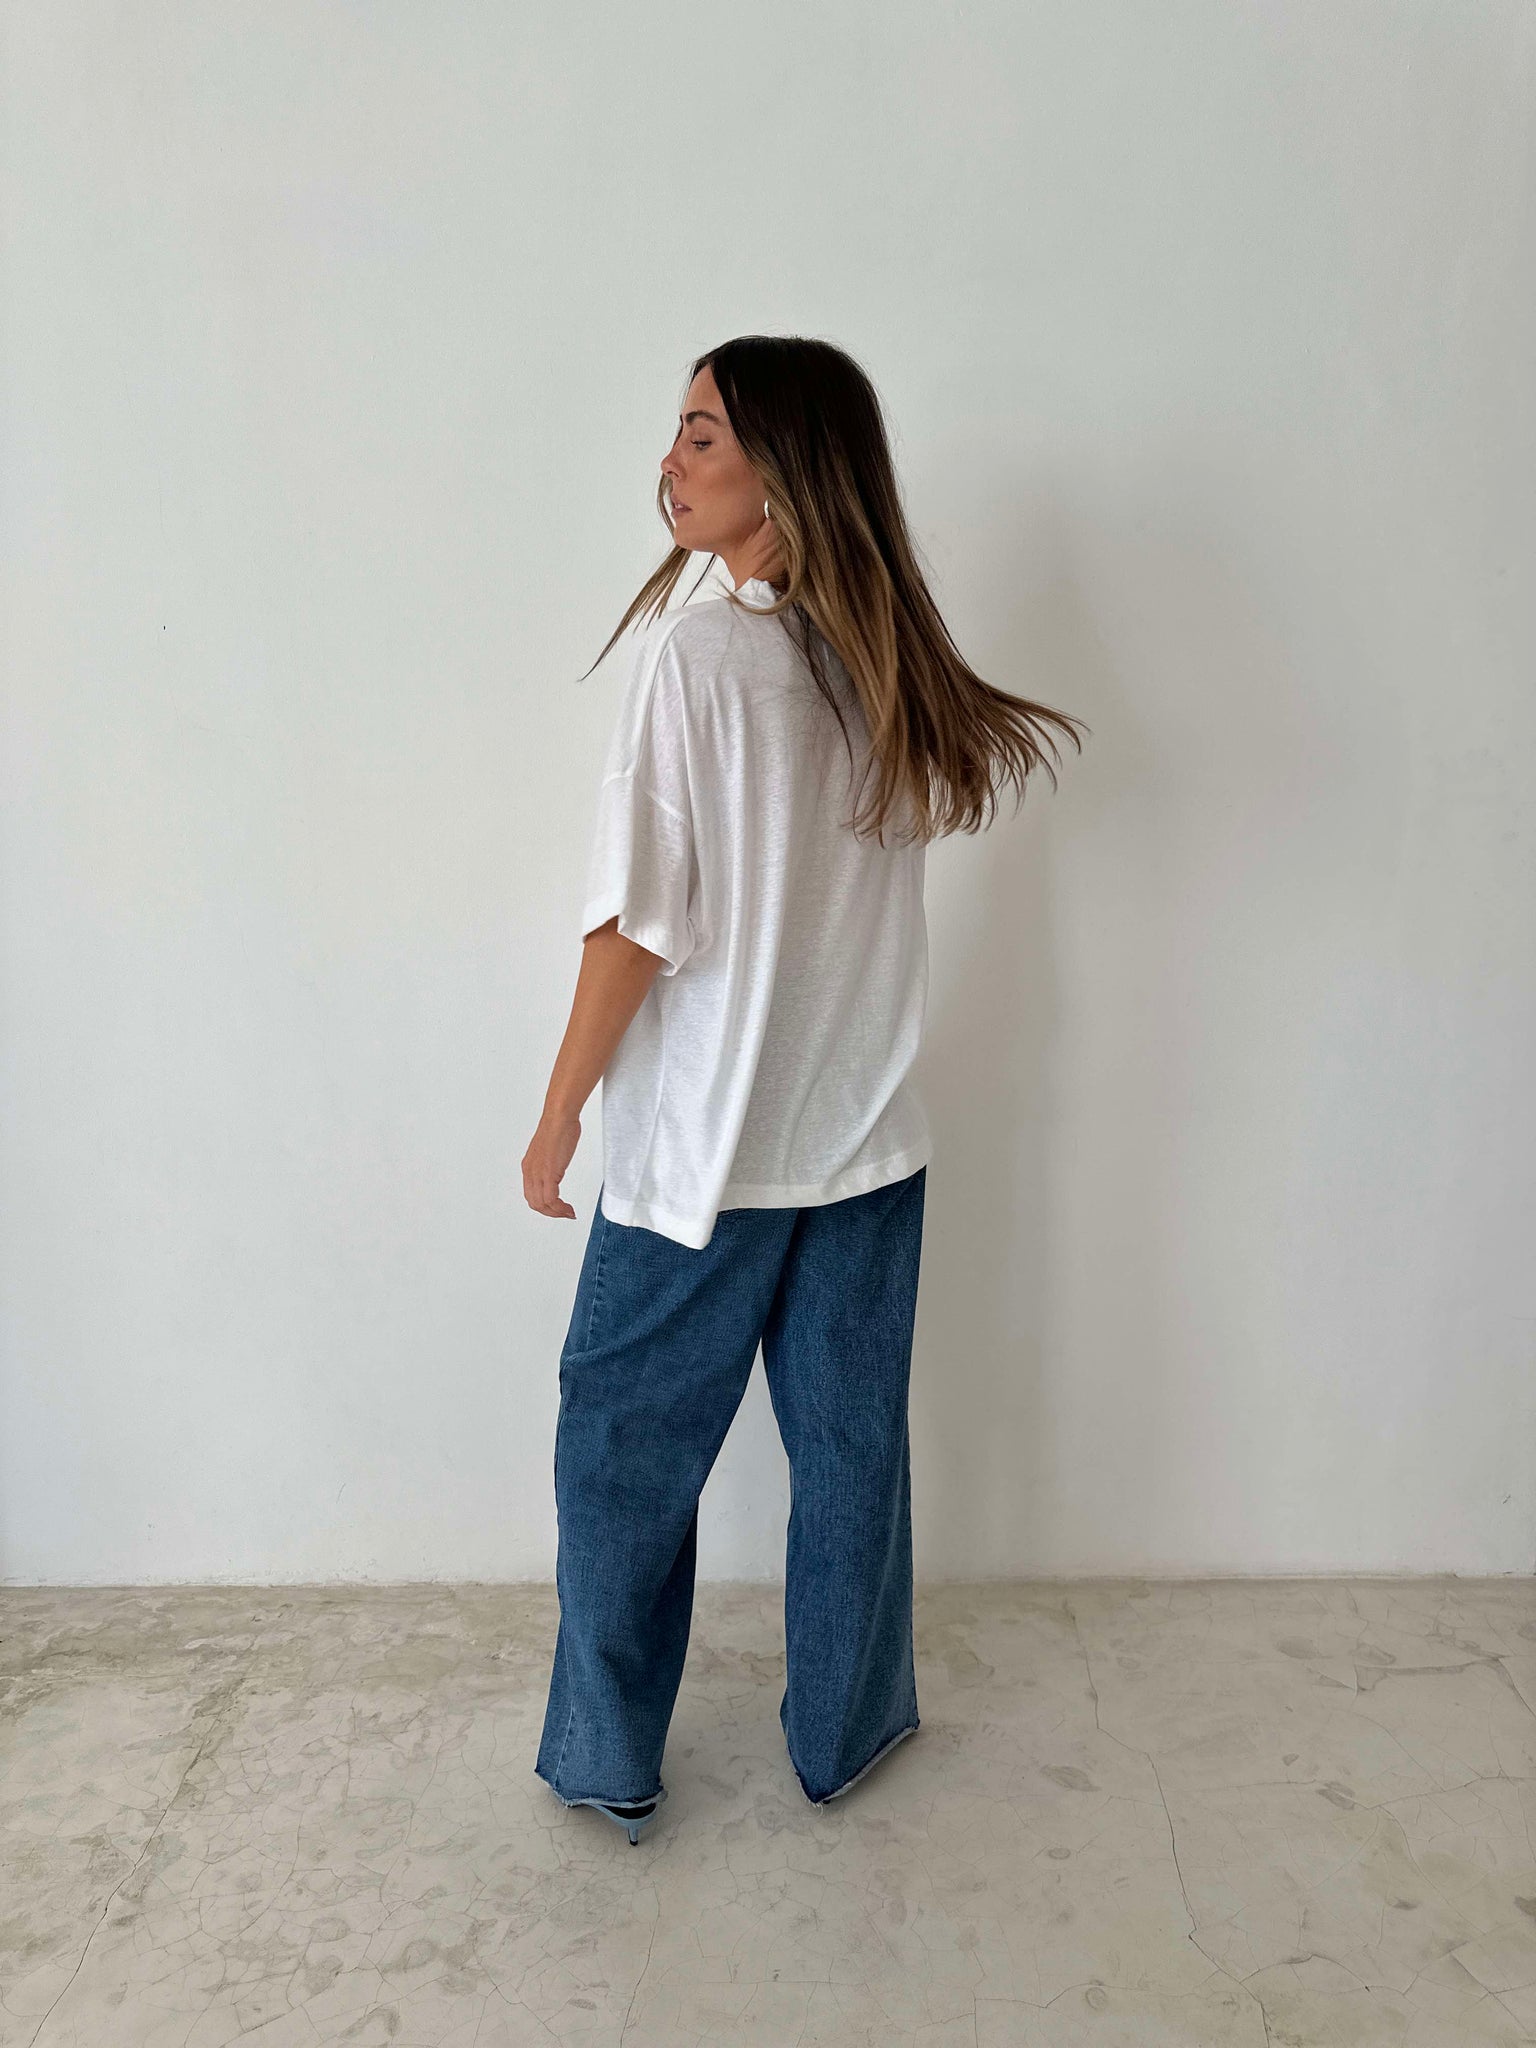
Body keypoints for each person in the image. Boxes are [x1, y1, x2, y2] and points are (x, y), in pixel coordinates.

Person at [522, 334, 1086, 1844]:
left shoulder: (698, 658)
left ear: (783, 467)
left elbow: (641, 920)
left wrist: (561, 1103)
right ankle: (846, 1734)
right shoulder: (871, 661)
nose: (674, 459)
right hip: (865, 1140)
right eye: (679, 431)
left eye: (705, 433)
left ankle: (605, 1757)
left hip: (706, 1156)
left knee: (620, 1455)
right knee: (851, 1459)